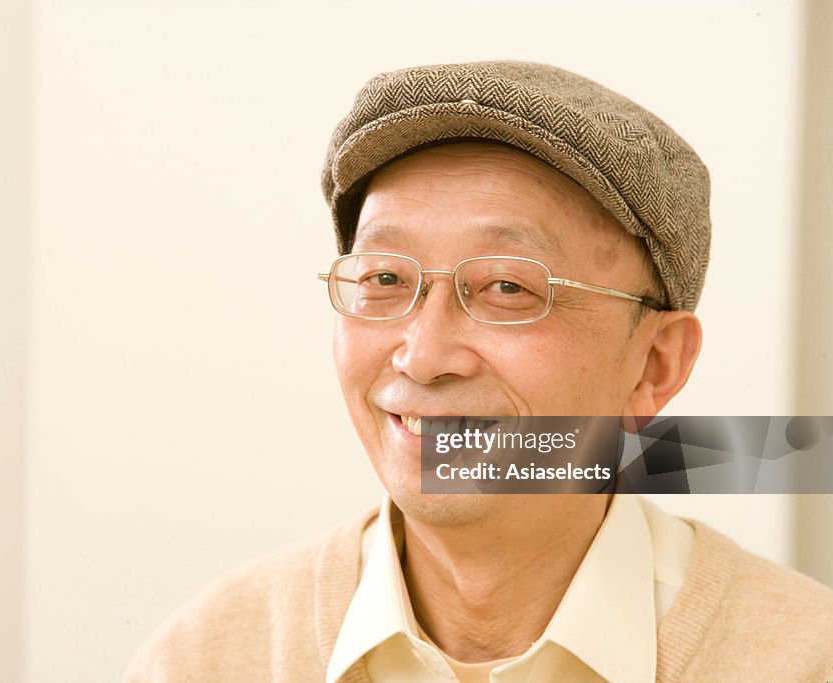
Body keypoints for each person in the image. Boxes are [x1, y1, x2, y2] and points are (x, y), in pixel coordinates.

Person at [122, 61, 833, 682]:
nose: (422, 355)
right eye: (385, 277)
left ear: (654, 364)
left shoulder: (802, 660)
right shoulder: (207, 658)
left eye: (506, 288)